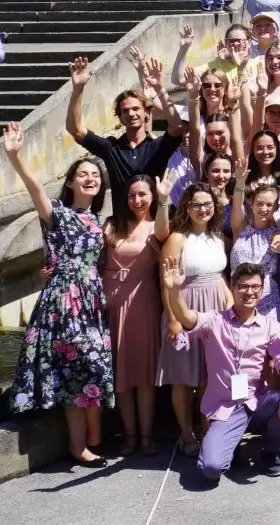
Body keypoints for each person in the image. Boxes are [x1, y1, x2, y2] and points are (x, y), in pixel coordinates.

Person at [3, 125, 114, 465]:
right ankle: (78, 446)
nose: (90, 178)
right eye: (83, 174)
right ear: (70, 182)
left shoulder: (100, 222)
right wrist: (15, 156)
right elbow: (35, 189)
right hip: (65, 299)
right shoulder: (57, 214)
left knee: (97, 367)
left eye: (95, 174)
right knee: (73, 371)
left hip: (93, 301)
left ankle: (92, 437)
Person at [158, 258, 280, 484]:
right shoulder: (215, 321)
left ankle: (269, 454)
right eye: (242, 286)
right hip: (225, 408)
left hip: (257, 401)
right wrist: (174, 291)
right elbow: (186, 317)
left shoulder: (270, 326)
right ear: (232, 288)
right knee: (211, 468)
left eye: (255, 287)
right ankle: (228, 446)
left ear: (262, 291)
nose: (249, 292)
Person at [157, 181, 230, 455]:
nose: (203, 209)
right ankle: (186, 434)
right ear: (186, 207)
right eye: (196, 204)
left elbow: (219, 276)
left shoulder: (217, 236)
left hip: (214, 310)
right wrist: (174, 318)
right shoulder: (177, 238)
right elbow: (165, 283)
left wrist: (230, 303)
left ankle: (207, 430)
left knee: (208, 375)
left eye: (207, 204)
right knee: (184, 377)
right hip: (184, 306)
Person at [66, 54, 183, 216]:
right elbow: (75, 129)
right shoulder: (111, 148)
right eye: (125, 111)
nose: (131, 113)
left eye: (136, 109)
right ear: (120, 117)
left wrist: (159, 89)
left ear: (147, 114)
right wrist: (78, 89)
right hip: (121, 228)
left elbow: (177, 127)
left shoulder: (158, 146)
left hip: (153, 226)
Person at [102, 173, 169, 455]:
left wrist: (165, 201)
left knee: (142, 372)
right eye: (132, 195)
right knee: (120, 372)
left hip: (142, 300)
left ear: (152, 197)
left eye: (143, 194)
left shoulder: (157, 226)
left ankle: (145, 434)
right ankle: (128, 434)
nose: (137, 200)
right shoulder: (111, 224)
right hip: (109, 301)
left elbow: (165, 235)